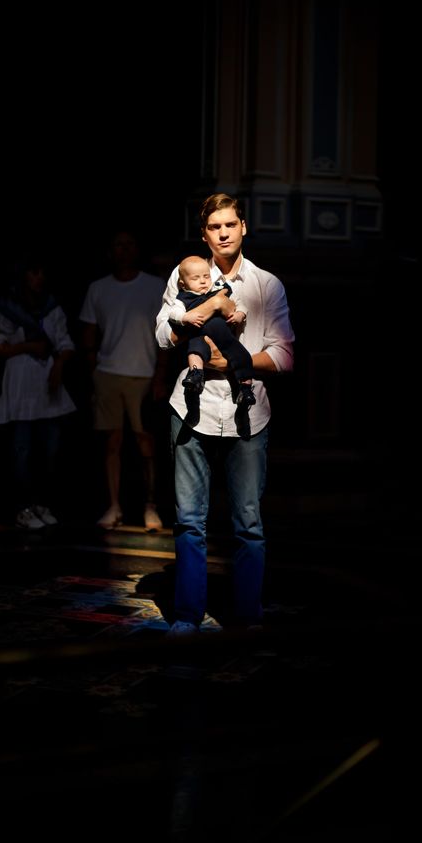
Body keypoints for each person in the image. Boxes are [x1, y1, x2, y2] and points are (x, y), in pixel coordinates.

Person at [155, 193, 294, 633]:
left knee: (248, 524)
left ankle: (248, 617)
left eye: (230, 224)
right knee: (189, 521)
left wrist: (232, 363)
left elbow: (284, 354)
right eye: (214, 227)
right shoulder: (187, 273)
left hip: (246, 412)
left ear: (243, 227)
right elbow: (162, 335)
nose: (223, 233)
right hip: (192, 410)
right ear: (204, 234)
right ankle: (187, 616)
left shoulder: (266, 285)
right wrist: (208, 306)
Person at [79, 229, 167, 530]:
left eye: (129, 244)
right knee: (112, 442)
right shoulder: (98, 288)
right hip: (108, 373)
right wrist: (94, 372)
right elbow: (89, 332)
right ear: (110, 251)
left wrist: (160, 375)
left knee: (145, 441)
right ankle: (114, 506)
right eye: (118, 245)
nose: (124, 250)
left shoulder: (154, 286)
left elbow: (165, 335)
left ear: (137, 250)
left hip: (143, 374)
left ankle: (150, 506)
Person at [0, 253, 76, 529]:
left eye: (42, 273)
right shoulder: (9, 310)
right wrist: (27, 347)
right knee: (22, 451)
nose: (39, 278)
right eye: (33, 273)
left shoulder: (52, 308)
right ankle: (23, 507)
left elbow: (65, 343)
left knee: (49, 452)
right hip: (20, 387)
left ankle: (42, 504)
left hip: (46, 388)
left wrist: (58, 365)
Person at [169, 254, 255, 407]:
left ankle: (246, 388)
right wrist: (185, 317)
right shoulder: (183, 298)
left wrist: (240, 314)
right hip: (199, 334)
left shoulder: (218, 289)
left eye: (206, 276)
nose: (203, 281)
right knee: (195, 352)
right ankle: (196, 375)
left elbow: (239, 302)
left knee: (242, 356)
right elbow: (173, 313)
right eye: (195, 278)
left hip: (224, 335)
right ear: (183, 283)